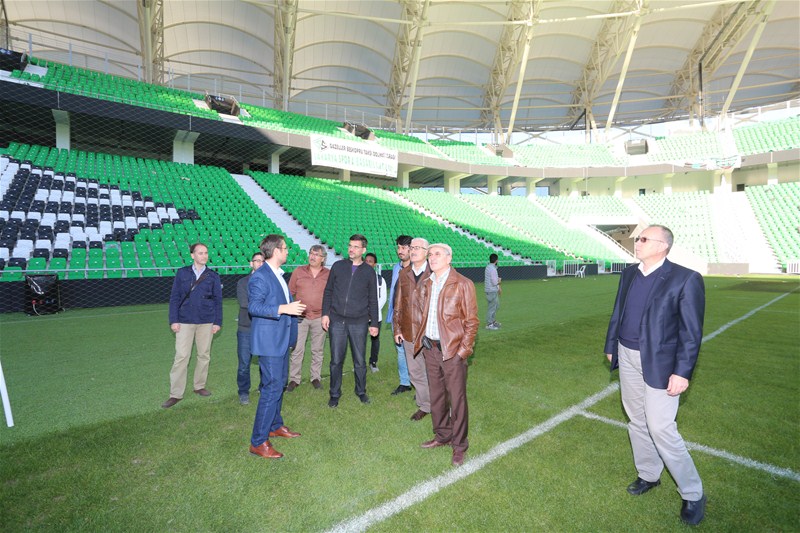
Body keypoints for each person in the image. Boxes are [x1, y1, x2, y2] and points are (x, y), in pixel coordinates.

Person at [604, 225, 706, 526]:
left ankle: (693, 493)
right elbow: (618, 312)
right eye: (638, 238)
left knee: (661, 427)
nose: (637, 242)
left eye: (644, 239)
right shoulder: (628, 274)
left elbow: (691, 333)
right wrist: (611, 346)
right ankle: (649, 474)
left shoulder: (686, 279)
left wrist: (682, 372)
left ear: (663, 245)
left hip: (661, 363)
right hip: (626, 355)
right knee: (637, 420)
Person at [411, 243, 478, 466]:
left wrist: (462, 352)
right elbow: (420, 315)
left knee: (457, 400)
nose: (432, 257)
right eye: (430, 254)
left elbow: (471, 322)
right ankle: (442, 435)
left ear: (449, 258)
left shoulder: (463, 284)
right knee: (437, 396)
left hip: (452, 352)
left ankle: (459, 445)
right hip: (430, 349)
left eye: (437, 254)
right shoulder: (427, 283)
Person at [248, 234, 306, 459]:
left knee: (279, 384)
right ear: (276, 251)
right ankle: (258, 442)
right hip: (270, 342)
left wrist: (291, 308)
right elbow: (254, 307)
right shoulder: (260, 276)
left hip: (280, 340)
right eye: (285, 248)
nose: (288, 251)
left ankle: (275, 425)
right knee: (271, 388)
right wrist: (283, 308)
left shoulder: (278, 274)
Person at [162, 243, 222, 409]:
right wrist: (173, 320)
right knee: (181, 356)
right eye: (200, 253)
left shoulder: (213, 275)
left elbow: (218, 300)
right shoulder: (182, 273)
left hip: (206, 321)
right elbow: (174, 297)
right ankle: (175, 394)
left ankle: (199, 386)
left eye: (206, 253)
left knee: (204, 355)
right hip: (185, 320)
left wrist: (217, 322)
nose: (204, 256)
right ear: (192, 255)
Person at [321, 234, 379, 407]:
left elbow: (373, 299)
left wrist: (374, 323)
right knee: (335, 360)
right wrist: (325, 314)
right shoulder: (338, 266)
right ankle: (334, 394)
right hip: (337, 320)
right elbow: (328, 291)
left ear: (363, 250)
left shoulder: (369, 272)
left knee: (360, 361)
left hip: (359, 322)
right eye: (350, 245)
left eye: (355, 246)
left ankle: (361, 391)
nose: (351, 249)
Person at [393, 237, 432, 421]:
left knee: (435, 372)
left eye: (418, 248)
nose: (414, 250)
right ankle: (425, 405)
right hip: (409, 331)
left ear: (427, 252)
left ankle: (440, 403)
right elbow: (398, 303)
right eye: (413, 247)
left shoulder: (435, 272)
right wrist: (397, 328)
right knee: (415, 372)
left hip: (431, 333)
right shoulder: (404, 273)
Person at [286, 245, 330, 391]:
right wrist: (290, 312)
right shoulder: (298, 271)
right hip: (300, 317)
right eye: (311, 253)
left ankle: (315, 377)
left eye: (316, 254)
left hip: (320, 317)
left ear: (323, 258)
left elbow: (332, 295)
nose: (312, 256)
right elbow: (289, 293)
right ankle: (294, 379)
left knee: (318, 350)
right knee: (297, 349)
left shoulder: (328, 274)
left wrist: (328, 314)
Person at [386, 235, 413, 395]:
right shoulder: (396, 267)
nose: (400, 251)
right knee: (401, 351)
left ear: (411, 249)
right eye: (398, 247)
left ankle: (421, 385)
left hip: (412, 319)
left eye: (403, 248)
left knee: (417, 352)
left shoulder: (418, 270)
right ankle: (405, 382)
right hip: (396, 317)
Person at [236, 252, 264, 405]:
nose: (259, 263)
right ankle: (243, 392)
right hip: (246, 328)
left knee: (265, 362)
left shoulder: (269, 281)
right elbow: (244, 303)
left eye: (262, 261)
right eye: (256, 261)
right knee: (244, 364)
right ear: (251, 263)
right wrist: (265, 307)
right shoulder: (242, 282)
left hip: (264, 328)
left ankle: (263, 387)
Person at [364, 253, 387, 373]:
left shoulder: (380, 280)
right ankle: (359, 363)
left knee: (375, 340)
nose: (368, 263)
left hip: (375, 316)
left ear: (375, 264)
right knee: (359, 340)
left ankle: (373, 362)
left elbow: (383, 298)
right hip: (360, 315)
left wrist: (372, 311)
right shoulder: (358, 278)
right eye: (366, 261)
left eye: (370, 261)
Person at [484, 253, 501, 330]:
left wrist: (498, 287)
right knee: (492, 307)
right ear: (496, 260)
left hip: (490, 290)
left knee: (496, 305)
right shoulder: (493, 269)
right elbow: (494, 282)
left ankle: (493, 321)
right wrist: (499, 281)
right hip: (491, 290)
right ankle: (489, 324)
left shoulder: (488, 267)